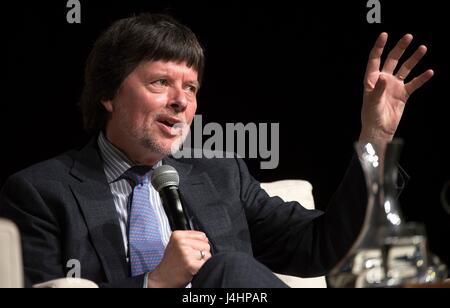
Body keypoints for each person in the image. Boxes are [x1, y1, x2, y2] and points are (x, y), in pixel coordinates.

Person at [0, 13, 433, 288]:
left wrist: (373, 137)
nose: (181, 101)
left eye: (190, 87)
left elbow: (322, 245)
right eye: (160, 83)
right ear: (109, 95)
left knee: (228, 272)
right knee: (229, 270)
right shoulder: (41, 192)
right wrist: (154, 283)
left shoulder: (221, 177)